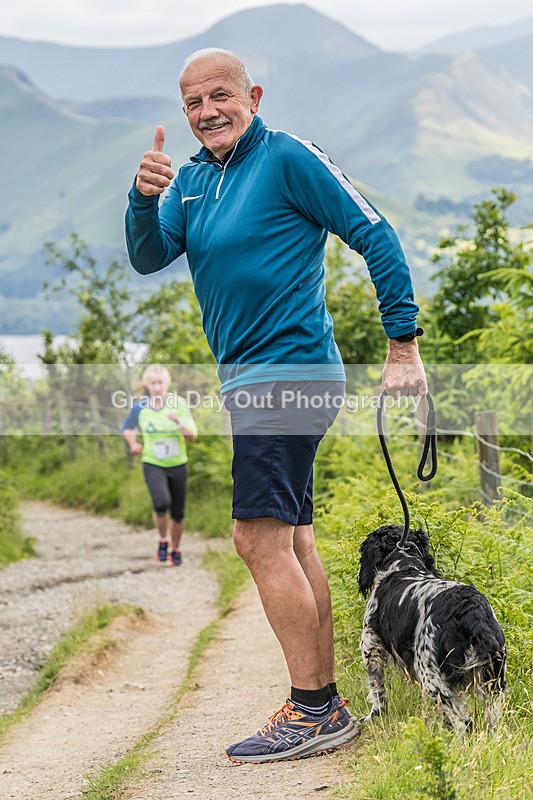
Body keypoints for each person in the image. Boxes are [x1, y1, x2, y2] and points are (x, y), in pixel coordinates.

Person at [125, 48, 427, 763]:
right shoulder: (192, 180)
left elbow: (373, 232)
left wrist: (401, 345)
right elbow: (147, 256)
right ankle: (323, 700)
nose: (207, 112)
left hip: (288, 374)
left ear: (252, 95)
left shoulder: (289, 157)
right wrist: (141, 198)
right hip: (250, 384)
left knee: (255, 539)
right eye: (194, 103)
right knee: (290, 539)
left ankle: (314, 709)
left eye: (219, 96)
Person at [122, 364, 197, 566]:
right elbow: (127, 428)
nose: (156, 387)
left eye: (160, 382)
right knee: (162, 502)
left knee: (178, 512)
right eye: (152, 383)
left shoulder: (178, 404)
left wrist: (179, 422)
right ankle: (163, 540)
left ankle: (176, 548)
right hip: (153, 462)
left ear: (167, 383)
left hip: (178, 463)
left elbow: (192, 436)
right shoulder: (140, 407)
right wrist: (133, 443)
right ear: (147, 384)